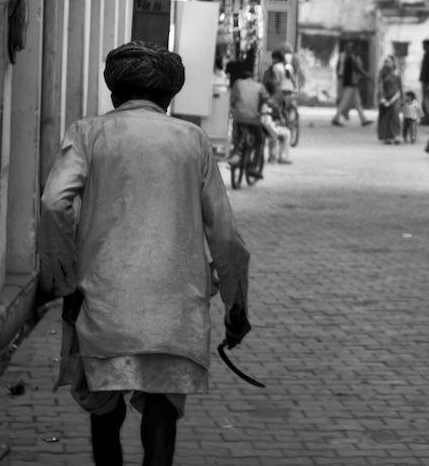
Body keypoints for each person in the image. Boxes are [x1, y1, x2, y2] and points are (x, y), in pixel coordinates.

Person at [37, 41, 252, 466]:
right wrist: (235, 302)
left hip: (104, 301)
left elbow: (52, 203)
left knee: (105, 417)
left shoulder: (89, 132)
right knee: (161, 423)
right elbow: (225, 235)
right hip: (176, 305)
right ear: (168, 98)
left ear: (115, 94)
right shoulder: (193, 140)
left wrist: (64, 281)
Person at [228, 66, 270, 176]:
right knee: (259, 140)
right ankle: (253, 166)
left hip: (238, 118)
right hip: (253, 119)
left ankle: (235, 158)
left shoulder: (237, 83)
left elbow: (232, 100)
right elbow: (267, 100)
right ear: (252, 78)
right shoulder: (259, 86)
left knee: (237, 140)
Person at [332, 41, 372, 127]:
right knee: (344, 101)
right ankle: (336, 117)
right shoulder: (350, 58)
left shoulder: (352, 57)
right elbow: (358, 69)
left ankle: (363, 119)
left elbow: (357, 69)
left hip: (353, 83)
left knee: (357, 102)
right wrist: (367, 77)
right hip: (350, 83)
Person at [375, 56, 402, 144]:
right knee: (385, 117)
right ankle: (387, 136)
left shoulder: (397, 73)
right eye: (385, 61)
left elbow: (400, 87)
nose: (387, 63)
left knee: (395, 116)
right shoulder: (382, 73)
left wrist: (402, 98)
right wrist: (382, 98)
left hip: (395, 97)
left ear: (393, 62)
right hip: (386, 97)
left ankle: (396, 135)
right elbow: (380, 86)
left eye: (389, 61)